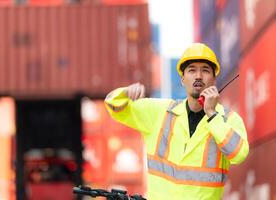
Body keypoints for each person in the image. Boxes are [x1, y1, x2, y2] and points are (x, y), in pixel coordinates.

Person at [104, 43, 249, 200]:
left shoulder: (228, 119)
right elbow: (113, 105)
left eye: (205, 70)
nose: (198, 76)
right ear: (182, 79)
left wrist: (212, 115)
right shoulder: (159, 112)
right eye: (192, 70)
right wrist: (125, 93)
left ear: (214, 79)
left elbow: (239, 154)